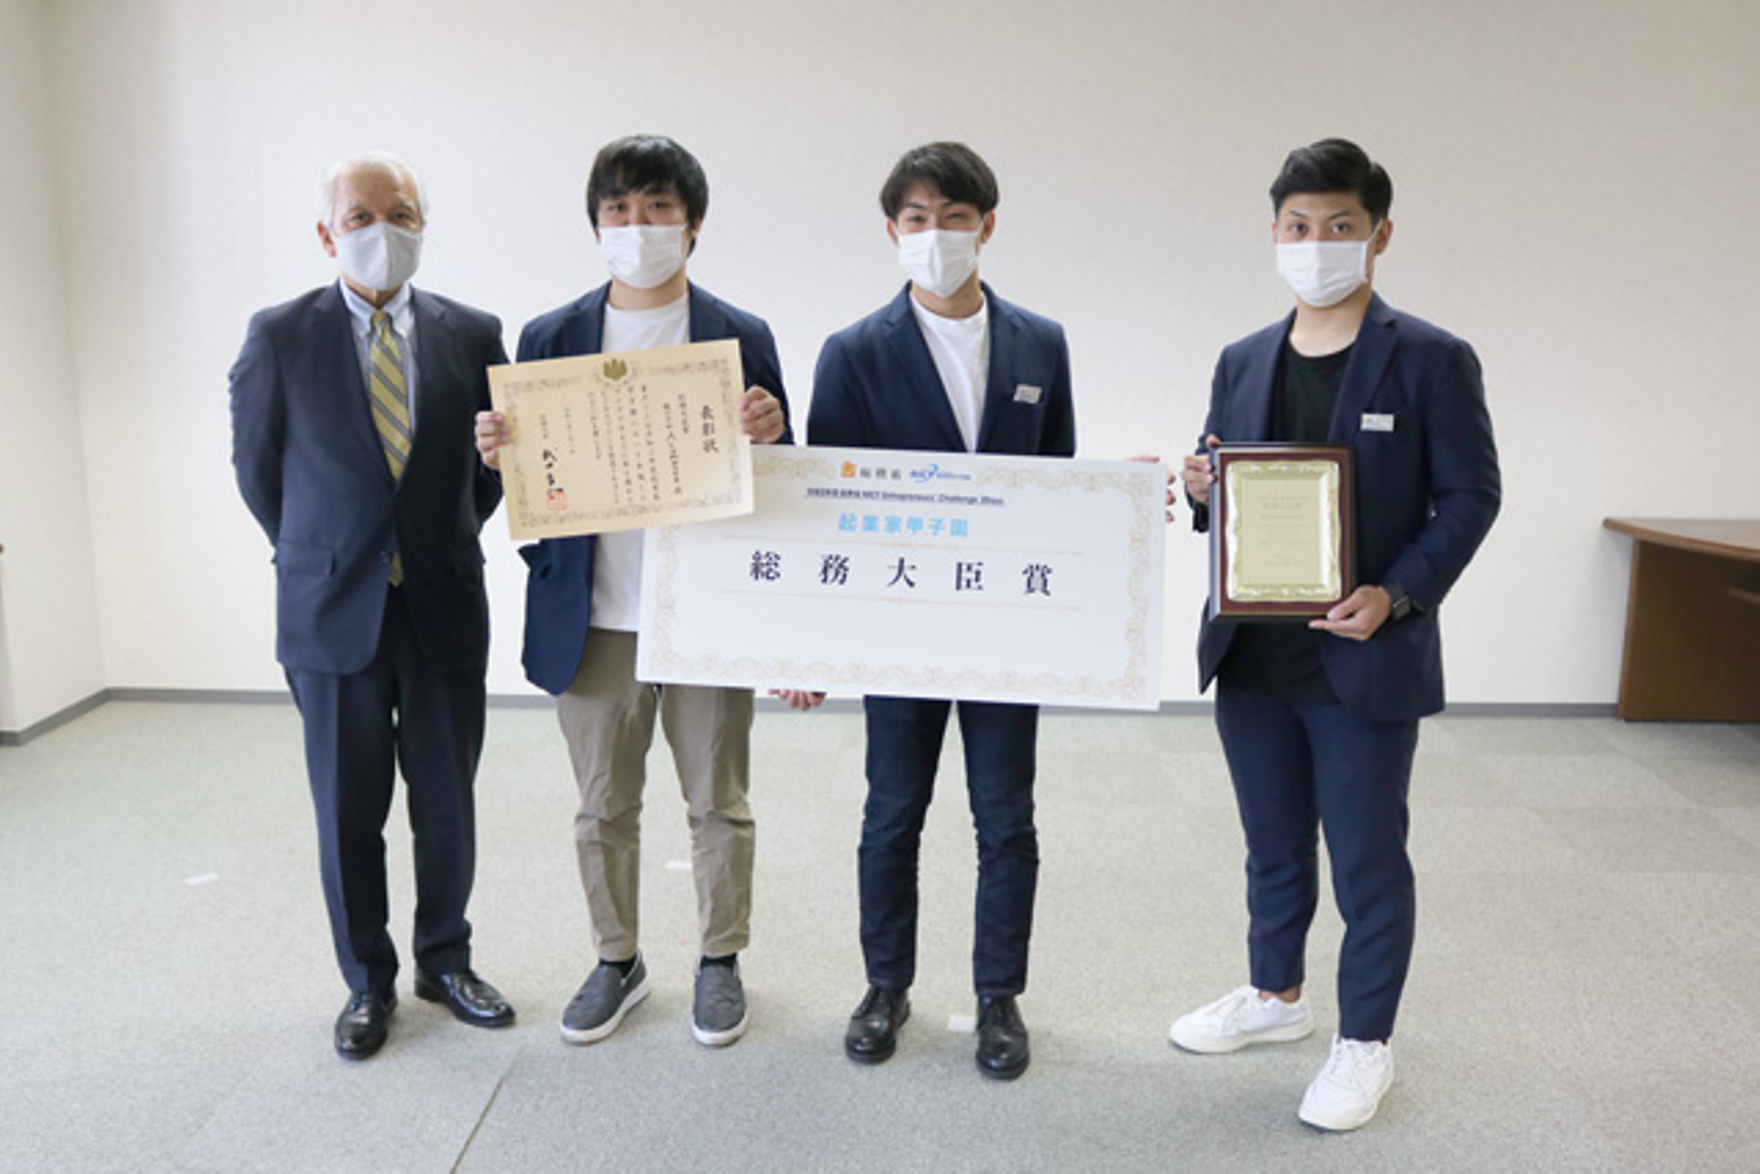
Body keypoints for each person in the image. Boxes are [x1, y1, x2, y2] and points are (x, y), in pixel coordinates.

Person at [1171, 138, 1500, 1129]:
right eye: (1297, 226)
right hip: (1253, 653)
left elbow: (1470, 495)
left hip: (1362, 652)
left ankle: (1365, 1043)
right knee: (1272, 843)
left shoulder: (1431, 357)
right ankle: (1274, 994)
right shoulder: (1241, 358)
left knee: (1365, 858)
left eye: (1339, 226)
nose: (1315, 244)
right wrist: (1199, 484)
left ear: (1379, 235)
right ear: (1275, 233)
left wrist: (1395, 594)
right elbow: (1223, 480)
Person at [474, 134, 790, 1049]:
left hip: (706, 612)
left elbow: (784, 481)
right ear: (595, 224)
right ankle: (617, 958)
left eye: (658, 207)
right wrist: (497, 453)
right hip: (595, 614)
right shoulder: (550, 337)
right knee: (602, 804)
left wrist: (771, 432)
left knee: (718, 800)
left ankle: (720, 958)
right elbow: (529, 484)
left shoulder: (741, 333)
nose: (637, 225)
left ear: (693, 224)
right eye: (618, 208)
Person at [790, 141, 1075, 1081]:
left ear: (986, 226)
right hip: (897, 626)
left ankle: (999, 996)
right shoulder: (854, 352)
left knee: (1007, 819)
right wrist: (816, 644)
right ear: (892, 232)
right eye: (918, 219)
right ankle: (885, 986)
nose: (937, 234)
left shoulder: (1041, 343)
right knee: (892, 814)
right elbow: (826, 503)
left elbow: (1059, 489)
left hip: (1003, 631)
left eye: (955, 217)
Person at [230, 151, 515, 1060]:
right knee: (348, 808)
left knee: (447, 800)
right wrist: (328, 551)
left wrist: (433, 539)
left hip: (442, 601)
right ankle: (367, 980)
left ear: (423, 225)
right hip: (329, 610)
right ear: (327, 235)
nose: (381, 231)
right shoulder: (280, 336)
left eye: (400, 214)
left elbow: (493, 467)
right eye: (360, 218)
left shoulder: (475, 333)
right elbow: (259, 474)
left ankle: (446, 961)